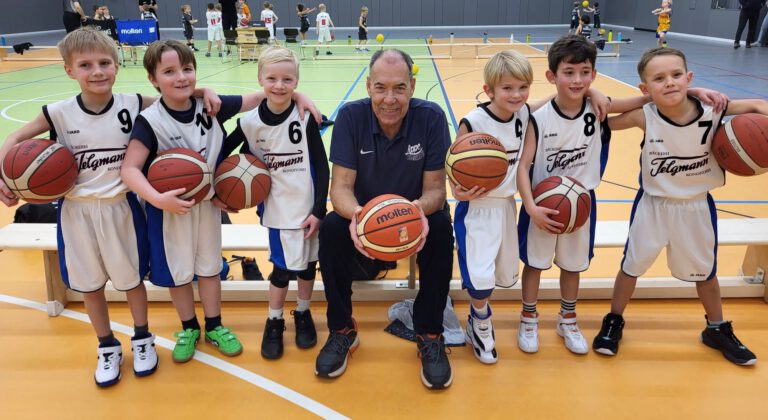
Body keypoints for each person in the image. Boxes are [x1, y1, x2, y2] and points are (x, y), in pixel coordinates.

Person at [0, 28, 204, 387]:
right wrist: (3, 174)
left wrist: (208, 91)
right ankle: (107, 345)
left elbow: (178, 93)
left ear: (116, 65)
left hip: (122, 207)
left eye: (104, 63)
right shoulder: (58, 113)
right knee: (89, 285)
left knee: (130, 281)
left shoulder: (133, 103)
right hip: (76, 211)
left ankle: (142, 338)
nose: (97, 71)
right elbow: (13, 138)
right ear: (69, 70)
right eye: (85, 65)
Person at [121, 39, 320, 365]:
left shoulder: (213, 106)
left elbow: (264, 95)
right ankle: (188, 328)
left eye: (187, 69)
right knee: (179, 273)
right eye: (169, 72)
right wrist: (158, 198)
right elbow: (129, 168)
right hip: (169, 210)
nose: (181, 77)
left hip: (209, 207)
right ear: (153, 79)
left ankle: (214, 325)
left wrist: (300, 95)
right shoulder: (149, 120)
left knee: (210, 268)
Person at [593, 47, 767, 365]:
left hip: (697, 206)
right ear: (645, 89)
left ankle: (716, 328)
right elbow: (601, 116)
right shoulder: (644, 115)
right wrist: (595, 93)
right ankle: (614, 319)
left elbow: (757, 104)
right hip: (653, 206)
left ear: (689, 78)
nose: (670, 83)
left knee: (706, 274)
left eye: (676, 76)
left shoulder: (712, 109)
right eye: (659, 79)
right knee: (630, 266)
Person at [316, 49, 455, 389]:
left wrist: (414, 211)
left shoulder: (431, 117)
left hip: (417, 214)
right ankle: (342, 329)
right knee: (332, 227)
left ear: (412, 85)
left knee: (440, 227)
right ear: (368, 86)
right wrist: (360, 217)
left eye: (399, 88)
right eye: (380, 88)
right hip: (368, 220)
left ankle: (429, 332)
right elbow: (341, 189)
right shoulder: (350, 117)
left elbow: (437, 189)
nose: (389, 99)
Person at [222, 47, 329, 360]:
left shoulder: (304, 116)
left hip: (308, 208)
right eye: (272, 78)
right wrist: (219, 191)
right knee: (281, 270)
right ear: (259, 80)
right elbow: (224, 155)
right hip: (277, 210)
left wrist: (319, 210)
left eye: (287, 79)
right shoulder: (250, 123)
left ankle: (304, 312)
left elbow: (321, 166)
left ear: (296, 81)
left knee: (309, 267)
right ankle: (274, 318)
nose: (279, 85)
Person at [453, 50, 534, 364]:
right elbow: (454, 166)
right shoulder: (473, 121)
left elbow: (557, 106)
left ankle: (478, 317)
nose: (516, 95)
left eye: (523, 87)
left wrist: (592, 91)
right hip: (477, 208)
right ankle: (481, 323)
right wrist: (457, 191)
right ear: (489, 90)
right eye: (508, 88)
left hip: (506, 207)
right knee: (480, 279)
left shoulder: (525, 113)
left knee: (499, 275)